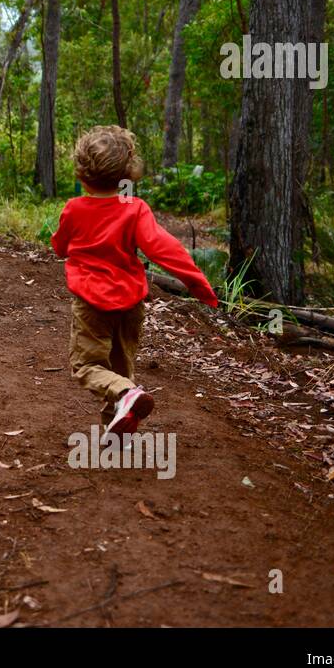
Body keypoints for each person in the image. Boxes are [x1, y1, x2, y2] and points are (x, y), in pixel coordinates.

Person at [49, 126, 219, 437]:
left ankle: (126, 395)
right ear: (127, 173)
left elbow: (60, 247)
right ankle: (116, 430)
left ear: (82, 174)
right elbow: (163, 248)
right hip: (130, 303)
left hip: (91, 303)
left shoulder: (74, 209)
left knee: (87, 368)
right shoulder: (135, 209)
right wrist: (199, 286)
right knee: (120, 368)